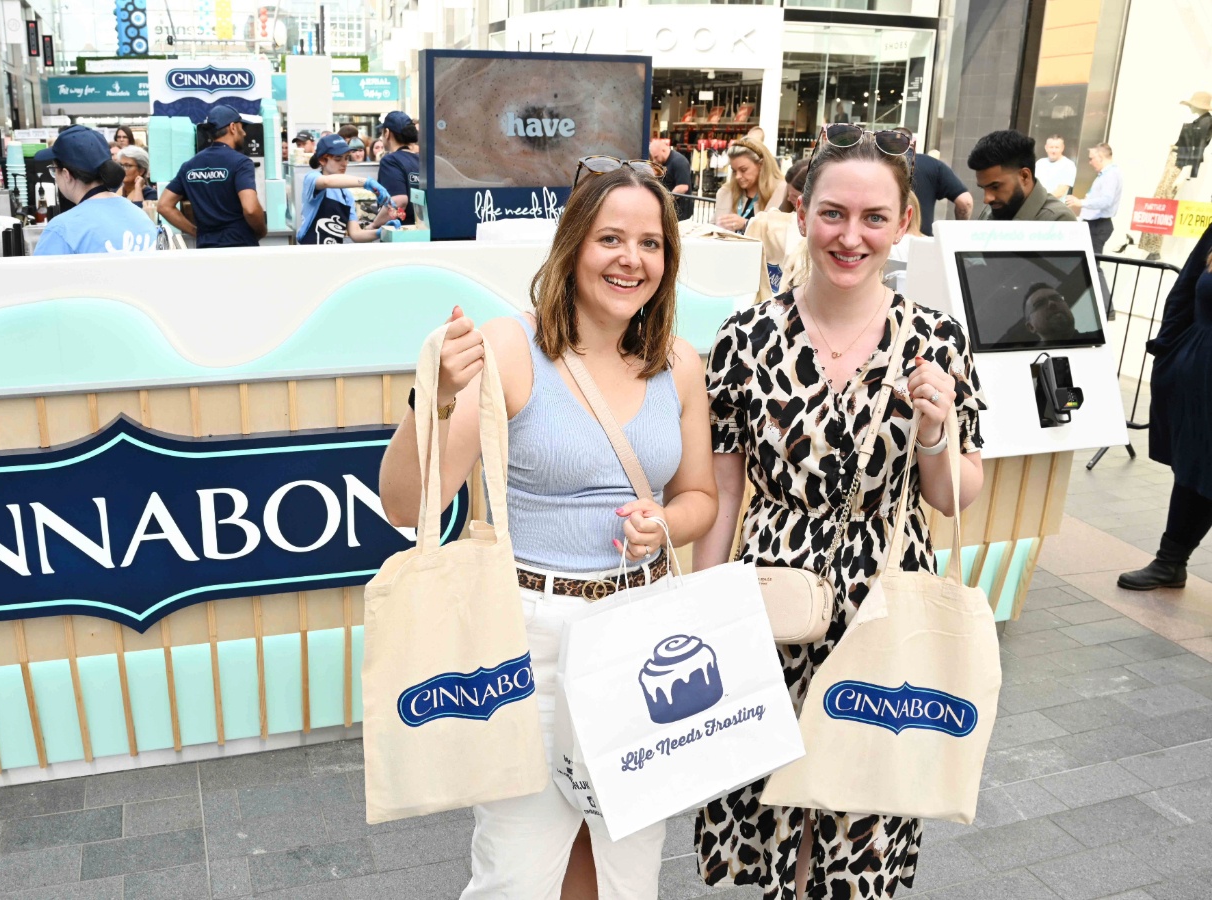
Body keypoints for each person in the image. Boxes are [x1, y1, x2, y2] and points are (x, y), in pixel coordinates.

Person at [378, 160, 717, 899]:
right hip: (533, 636)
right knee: (519, 869)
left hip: (644, 629)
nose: (632, 259)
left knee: (627, 865)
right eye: (611, 238)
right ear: (572, 247)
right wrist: (430, 400)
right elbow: (407, 506)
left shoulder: (680, 365)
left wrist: (665, 524)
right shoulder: (509, 348)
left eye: (651, 243)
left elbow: (699, 496)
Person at [694, 126, 986, 899]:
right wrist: (700, 610)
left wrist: (934, 431)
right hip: (772, 598)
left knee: (867, 808)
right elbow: (724, 492)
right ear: (799, 211)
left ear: (904, 225)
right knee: (777, 795)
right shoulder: (745, 338)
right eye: (832, 214)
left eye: (873, 218)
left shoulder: (936, 340)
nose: (850, 237)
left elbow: (958, 489)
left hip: (886, 601)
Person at [1119, 223, 1212, 590]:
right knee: (1195, 466)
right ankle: (1171, 561)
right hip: (1201, 370)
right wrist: (1167, 352)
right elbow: (1186, 288)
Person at [32, 126, 157, 256]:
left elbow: (40, 275)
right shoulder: (141, 217)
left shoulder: (61, 230)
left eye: (54, 170)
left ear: (66, 174)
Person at [158, 105, 266, 248]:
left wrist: (196, 232)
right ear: (233, 127)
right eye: (242, 127)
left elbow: (164, 205)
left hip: (206, 248)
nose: (245, 133)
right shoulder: (241, 162)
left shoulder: (190, 166)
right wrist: (261, 231)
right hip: (240, 247)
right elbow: (250, 208)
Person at [297, 134, 395, 244]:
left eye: (346, 158)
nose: (344, 163)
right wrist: (367, 183)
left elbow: (356, 234)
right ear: (322, 160)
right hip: (310, 253)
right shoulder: (312, 179)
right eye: (338, 159)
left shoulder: (346, 195)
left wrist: (382, 232)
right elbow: (327, 181)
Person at [967, 129, 1076, 222]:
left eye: (995, 187)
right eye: (983, 188)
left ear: (1024, 176)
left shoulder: (1058, 220)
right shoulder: (992, 211)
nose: (987, 199)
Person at [896, 126, 972, 235]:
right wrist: (961, 231)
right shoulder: (933, 165)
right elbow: (966, 202)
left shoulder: (878, 164)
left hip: (885, 242)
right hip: (921, 243)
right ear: (913, 142)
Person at [714, 139, 785, 233]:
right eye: (734, 171)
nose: (738, 176)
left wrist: (746, 224)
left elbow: (781, 233)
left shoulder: (781, 191)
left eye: (743, 170)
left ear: (761, 164)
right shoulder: (726, 192)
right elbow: (714, 226)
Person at [1065, 142, 1122, 254]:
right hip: (1094, 224)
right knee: (1090, 262)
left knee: (1093, 264)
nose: (1090, 162)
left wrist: (1081, 203)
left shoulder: (1111, 175)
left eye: (1091, 159)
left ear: (1100, 157)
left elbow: (1106, 201)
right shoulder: (1105, 175)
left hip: (1098, 225)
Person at [376, 111, 420, 214]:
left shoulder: (390, 161)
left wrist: (374, 225)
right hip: (422, 227)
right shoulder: (420, 160)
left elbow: (398, 201)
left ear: (387, 133)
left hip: (400, 228)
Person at [650, 137, 694, 221]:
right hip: (671, 209)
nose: (655, 160)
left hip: (680, 210)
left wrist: (666, 200)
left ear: (663, 150)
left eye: (656, 157)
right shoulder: (664, 163)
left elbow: (683, 187)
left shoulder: (679, 161)